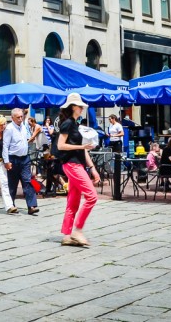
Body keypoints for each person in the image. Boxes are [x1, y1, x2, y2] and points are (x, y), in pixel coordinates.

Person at [57, 93, 100, 247]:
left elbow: (84, 150)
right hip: (71, 164)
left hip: (77, 164)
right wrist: (81, 146)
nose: (82, 108)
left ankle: (67, 235)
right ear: (73, 107)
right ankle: (77, 230)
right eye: (80, 106)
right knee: (92, 196)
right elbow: (60, 146)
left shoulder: (75, 124)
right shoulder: (67, 123)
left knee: (73, 201)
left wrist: (92, 168)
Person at [2, 108, 39, 216]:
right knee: (12, 184)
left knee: (27, 182)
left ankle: (31, 206)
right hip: (13, 158)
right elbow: (5, 146)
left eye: (21, 117)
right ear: (12, 118)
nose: (20, 119)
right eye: (18, 117)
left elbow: (26, 139)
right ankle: (11, 205)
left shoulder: (24, 126)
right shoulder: (9, 129)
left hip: (24, 158)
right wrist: (6, 161)